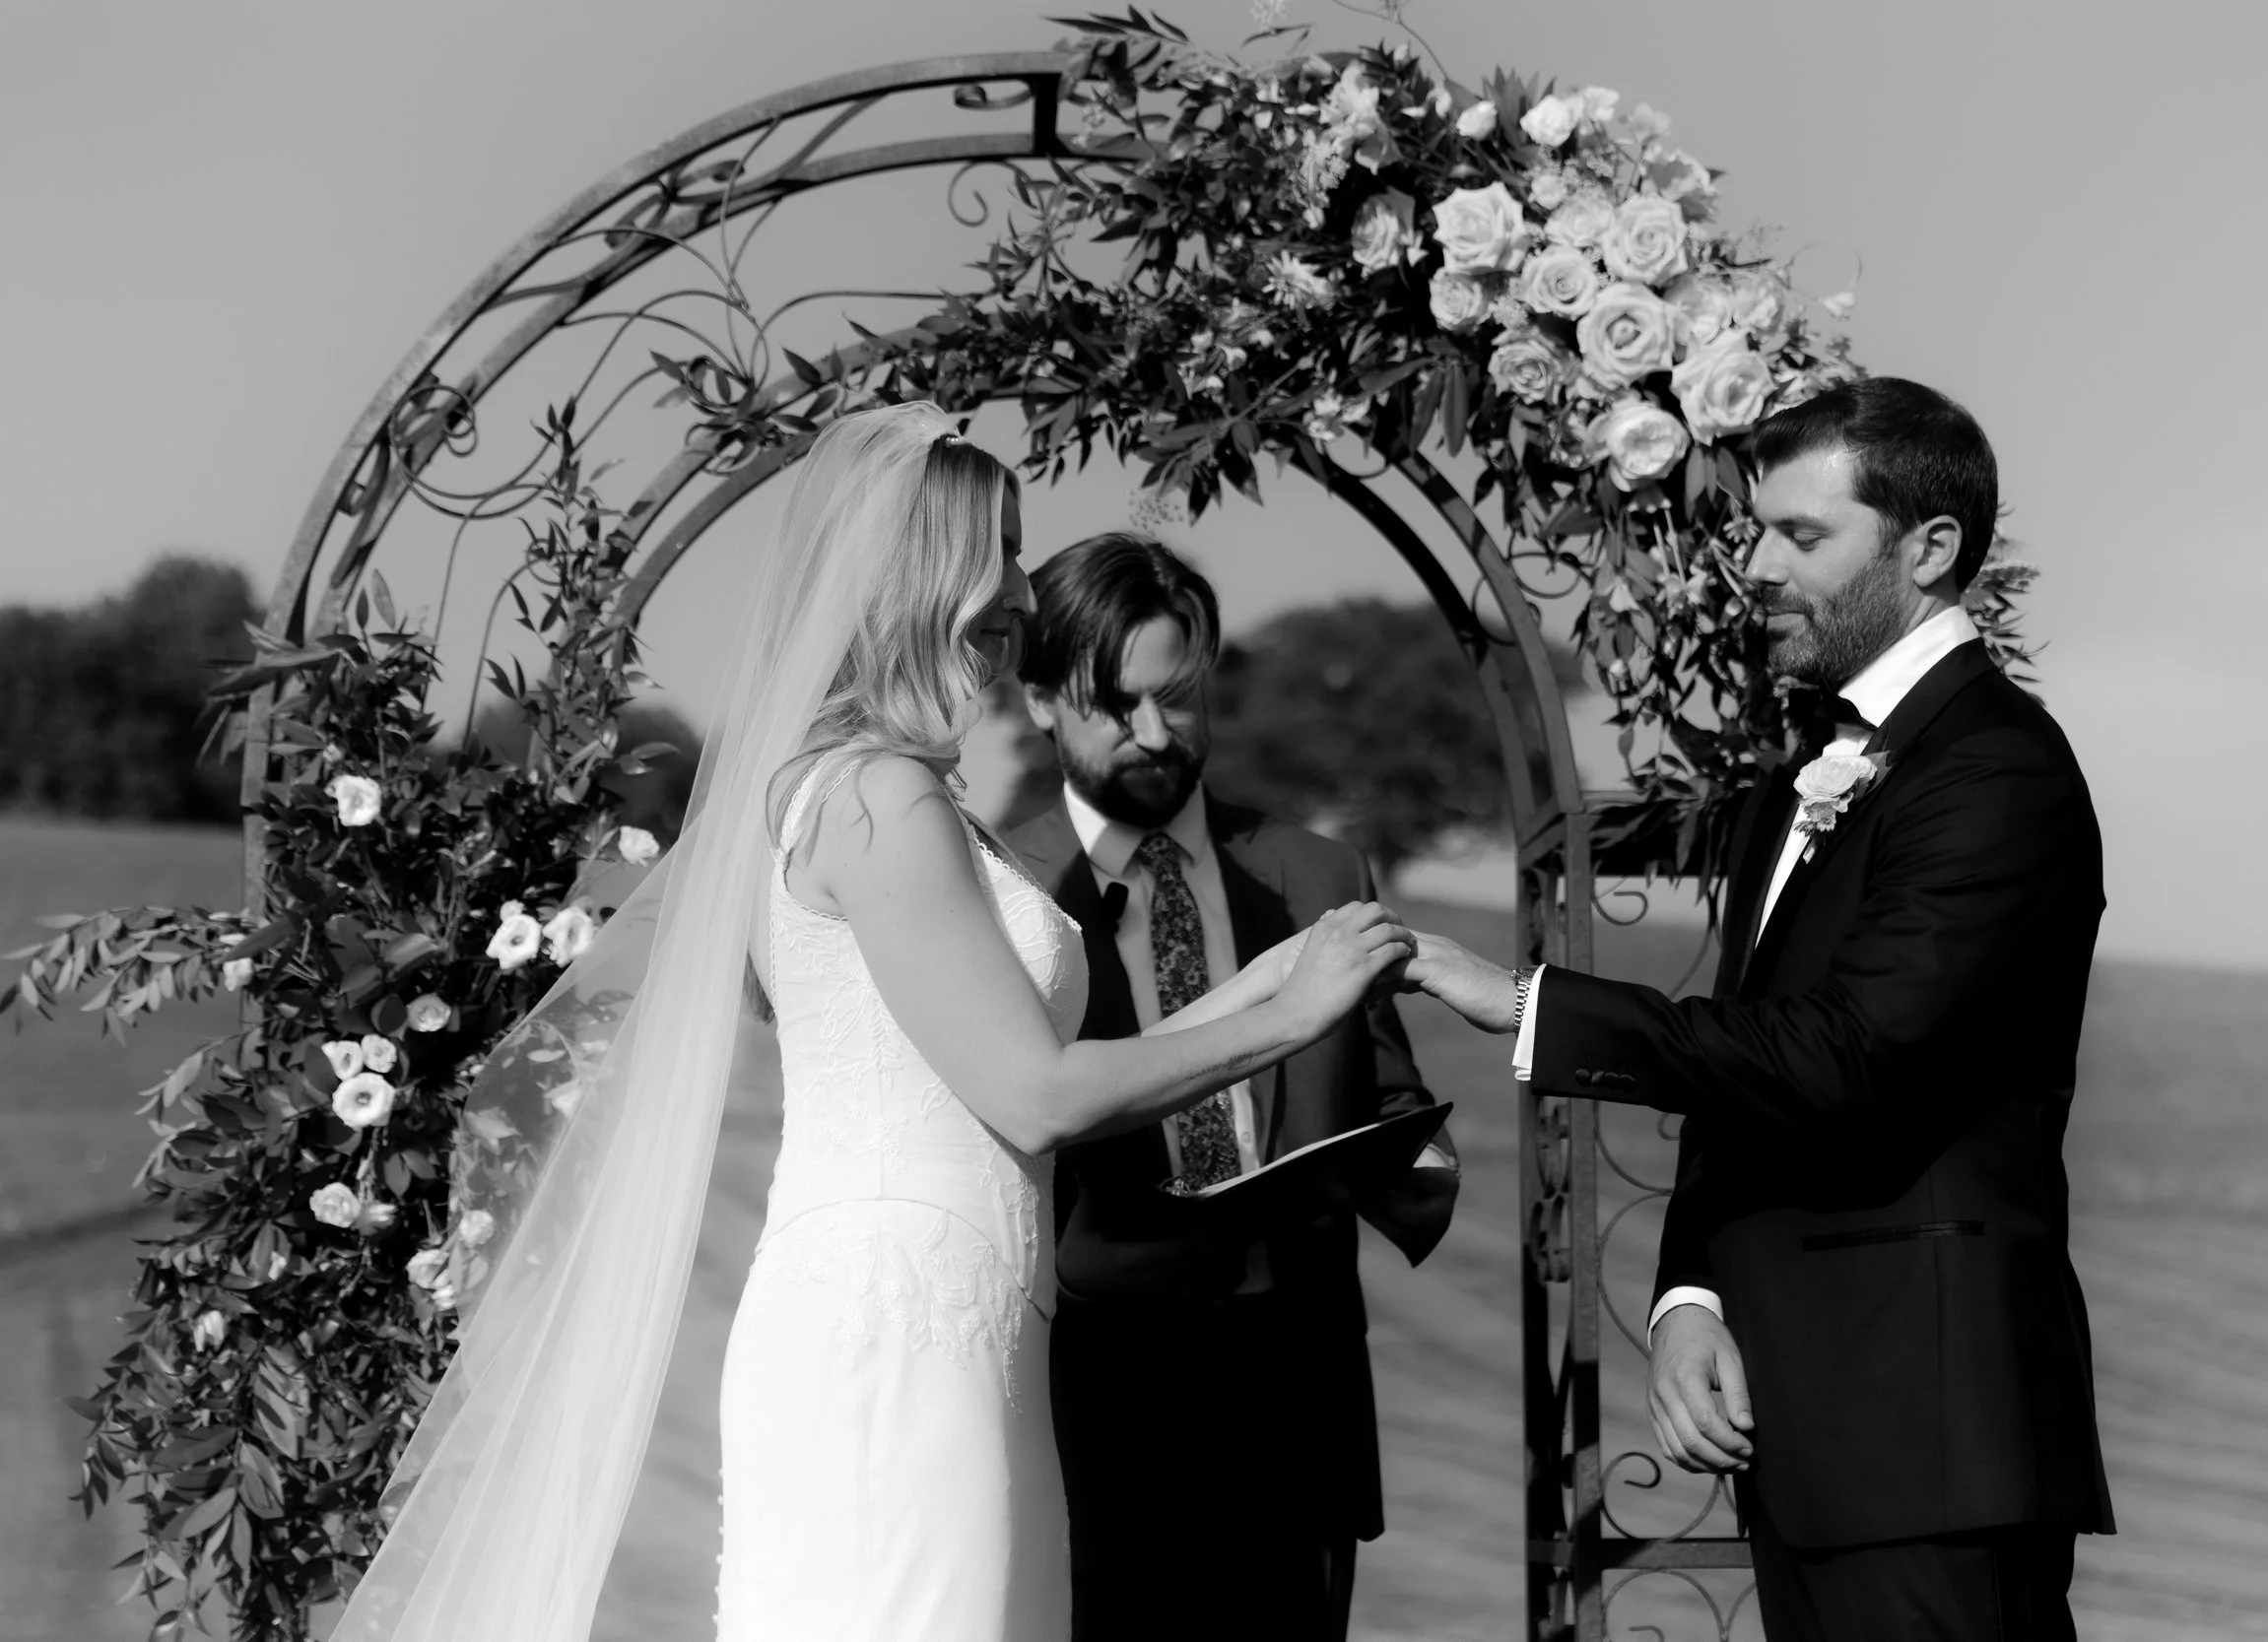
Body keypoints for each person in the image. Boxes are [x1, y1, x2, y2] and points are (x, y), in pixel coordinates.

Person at [324, 405, 1415, 1642]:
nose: (1019, 587)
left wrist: (1295, 970)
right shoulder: (879, 796)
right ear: (921, 572)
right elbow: (1038, 1092)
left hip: (954, 1309)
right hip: (898, 1325)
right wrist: (1294, 1019)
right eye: (997, 548)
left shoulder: (863, 786)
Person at [1402, 378, 2113, 1642]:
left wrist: (1528, 1005)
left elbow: (1845, 1054)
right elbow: (1754, 1074)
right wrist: (1692, 1300)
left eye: (1801, 537)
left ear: (1929, 548)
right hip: (1804, 1436)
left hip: (1928, 1437)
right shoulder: (1810, 775)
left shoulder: (1996, 772)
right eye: (1754, 532)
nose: (1757, 568)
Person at [1001, 533, 1459, 1642]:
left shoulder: (1321, 871)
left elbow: (1386, 1095)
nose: (1158, 734)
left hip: (1292, 1393)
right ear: (1040, 700)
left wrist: (1424, 1159)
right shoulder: (1000, 887)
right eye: (1119, 704)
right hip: (1087, 1392)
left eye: (1181, 696)